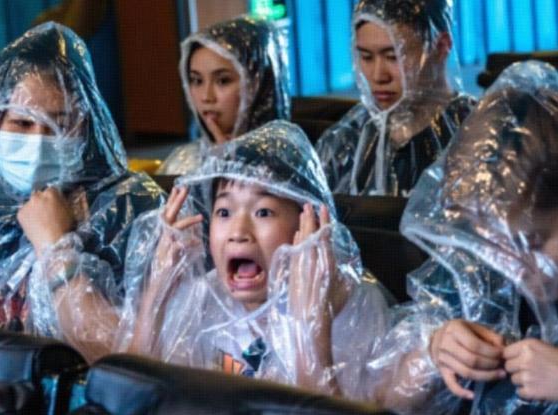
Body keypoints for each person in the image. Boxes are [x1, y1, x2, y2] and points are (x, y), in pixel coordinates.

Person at [370, 61, 558, 414]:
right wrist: (434, 351)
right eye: (494, 245)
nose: (514, 268)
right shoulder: (480, 275)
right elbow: (384, 399)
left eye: (534, 244)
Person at [0, 23, 165, 350]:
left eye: (59, 125)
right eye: (22, 122)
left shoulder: (134, 215)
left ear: (87, 128)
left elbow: (132, 359)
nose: (38, 142)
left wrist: (56, 248)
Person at [113, 120, 390, 399]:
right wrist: (157, 294)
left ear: (309, 225)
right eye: (224, 212)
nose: (237, 232)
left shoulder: (351, 306)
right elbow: (131, 398)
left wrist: (311, 328)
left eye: (263, 212)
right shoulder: (204, 298)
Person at [316, 0, 475, 196]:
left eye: (393, 56)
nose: (378, 76)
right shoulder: (346, 141)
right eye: (366, 57)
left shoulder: (478, 135)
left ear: (441, 47)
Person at [157, 15, 290, 175]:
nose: (206, 97)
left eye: (223, 81)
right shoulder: (183, 162)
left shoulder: (288, 164)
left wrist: (230, 167)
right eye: (197, 80)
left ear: (257, 83)